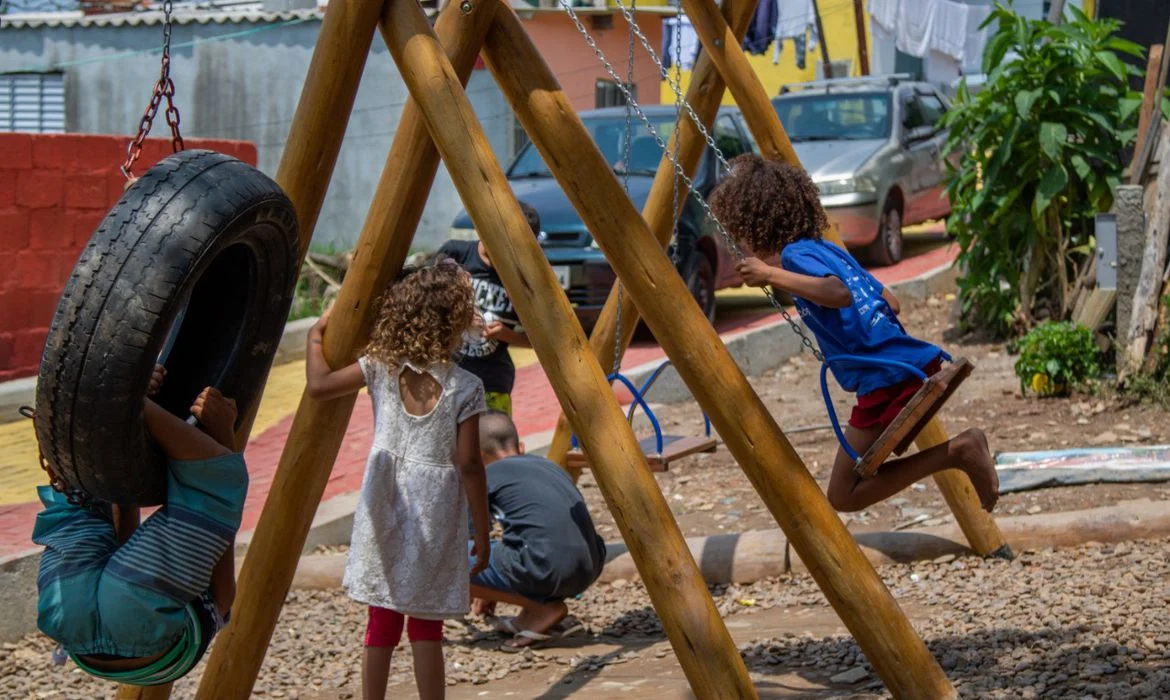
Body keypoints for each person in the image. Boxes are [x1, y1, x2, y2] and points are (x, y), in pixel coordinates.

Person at [708, 154, 999, 514]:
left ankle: (959, 451)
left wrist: (770, 275)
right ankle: (958, 452)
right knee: (849, 486)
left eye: (741, 234)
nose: (741, 244)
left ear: (758, 225)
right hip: (907, 362)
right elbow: (890, 302)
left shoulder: (794, 256)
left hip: (885, 380)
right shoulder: (829, 250)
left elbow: (838, 293)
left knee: (843, 494)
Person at [305, 254, 491, 700]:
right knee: (426, 623)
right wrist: (483, 533)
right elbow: (470, 464)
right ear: (454, 322)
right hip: (435, 512)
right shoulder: (466, 387)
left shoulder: (380, 368)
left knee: (381, 618)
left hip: (384, 506)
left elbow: (320, 386)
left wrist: (314, 337)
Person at [32, 367, 246, 686]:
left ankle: (122, 396)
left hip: (145, 628)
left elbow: (221, 547)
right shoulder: (154, 598)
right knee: (82, 494)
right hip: (67, 623)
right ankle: (75, 431)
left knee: (215, 486)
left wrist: (224, 437)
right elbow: (122, 518)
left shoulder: (202, 618)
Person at [469, 410, 606, 651]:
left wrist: (484, 586)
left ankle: (542, 609)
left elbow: (469, 540)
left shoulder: (485, 476)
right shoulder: (549, 466)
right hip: (589, 566)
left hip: (547, 568)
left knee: (445, 561)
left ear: (478, 457)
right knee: (529, 542)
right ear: (521, 447)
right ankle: (531, 614)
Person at [437, 202, 542, 416]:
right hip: (448, 377)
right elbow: (420, 303)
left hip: (493, 382)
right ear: (485, 229)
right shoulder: (455, 255)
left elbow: (539, 341)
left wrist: (506, 334)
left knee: (494, 434)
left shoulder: (522, 281)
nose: (509, 250)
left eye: (517, 246)